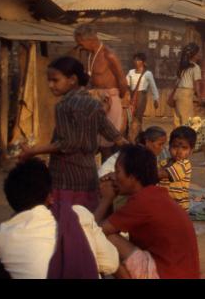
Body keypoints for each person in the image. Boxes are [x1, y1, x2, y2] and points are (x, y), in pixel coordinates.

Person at [19, 57, 127, 211]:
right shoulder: (93, 103)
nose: (50, 85)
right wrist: (134, 151)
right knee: (86, 221)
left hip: (66, 177)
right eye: (49, 80)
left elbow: (68, 144)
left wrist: (33, 151)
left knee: (67, 222)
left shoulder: (64, 106)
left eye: (55, 80)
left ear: (72, 79)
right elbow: (113, 134)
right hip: (88, 174)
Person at [0, 159, 119, 279]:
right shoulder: (78, 214)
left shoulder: (1, 235)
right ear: (50, 196)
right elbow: (111, 264)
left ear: (11, 201)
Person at [95, 145, 200, 279]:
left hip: (165, 273)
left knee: (103, 238)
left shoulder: (142, 202)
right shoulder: (155, 195)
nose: (113, 177)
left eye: (118, 172)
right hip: (181, 272)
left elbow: (95, 231)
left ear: (133, 177)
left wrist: (106, 199)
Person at [74, 24, 129, 160]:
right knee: (94, 141)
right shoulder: (89, 55)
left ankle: (108, 175)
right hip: (96, 100)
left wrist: (122, 100)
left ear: (90, 40)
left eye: (80, 43)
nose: (80, 46)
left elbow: (122, 80)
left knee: (108, 143)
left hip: (111, 100)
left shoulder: (108, 55)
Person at [99, 126, 169, 179]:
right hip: (107, 178)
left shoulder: (145, 151)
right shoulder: (138, 153)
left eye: (164, 144)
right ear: (148, 142)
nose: (162, 148)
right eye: (160, 144)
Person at [158, 126, 195, 212]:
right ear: (169, 147)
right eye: (175, 147)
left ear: (191, 151)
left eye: (184, 148)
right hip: (164, 205)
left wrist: (143, 171)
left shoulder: (184, 165)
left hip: (178, 209)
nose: (179, 151)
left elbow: (160, 174)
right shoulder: (165, 162)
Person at [126, 53, 160, 143]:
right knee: (130, 117)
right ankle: (138, 136)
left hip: (142, 97)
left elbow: (153, 87)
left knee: (137, 117)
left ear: (143, 62)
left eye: (139, 60)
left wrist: (156, 99)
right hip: (132, 96)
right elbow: (126, 84)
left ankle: (135, 137)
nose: (136, 62)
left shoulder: (148, 74)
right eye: (135, 60)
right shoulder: (131, 72)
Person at [173, 43, 202, 127]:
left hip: (178, 92)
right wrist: (199, 97)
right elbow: (196, 83)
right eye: (198, 53)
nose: (199, 55)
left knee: (177, 119)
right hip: (186, 93)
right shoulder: (195, 67)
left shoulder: (182, 66)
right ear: (194, 55)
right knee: (187, 120)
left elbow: (177, 81)